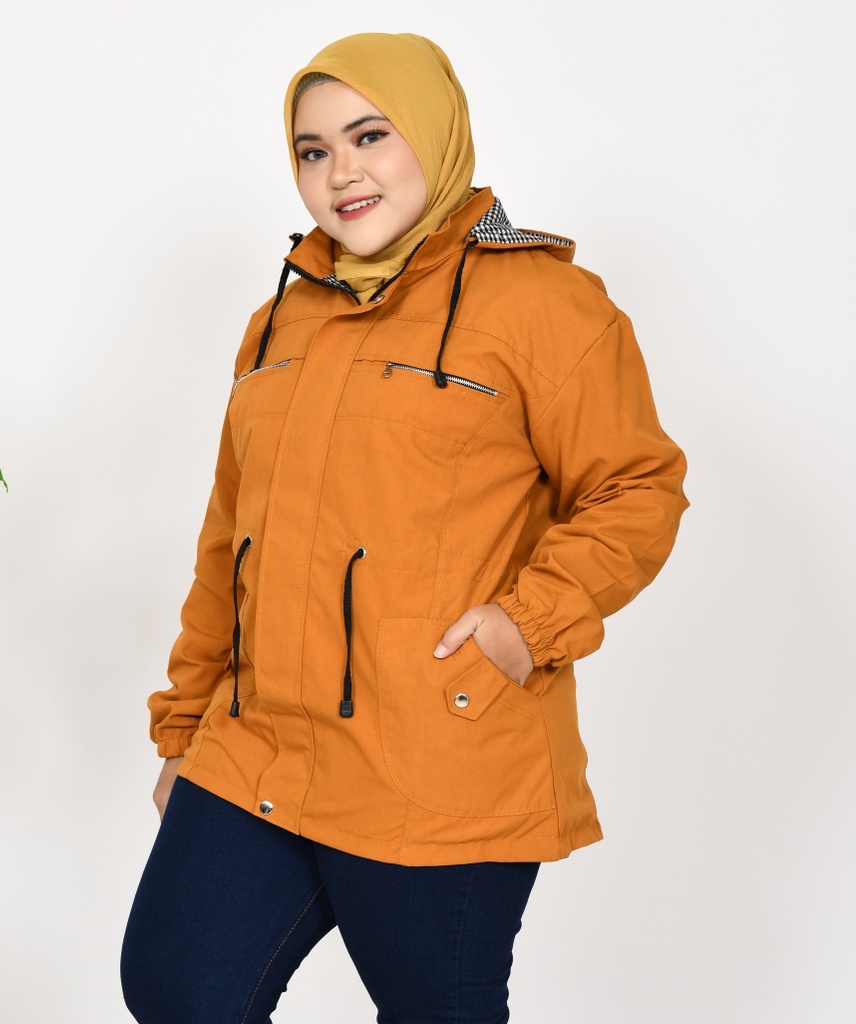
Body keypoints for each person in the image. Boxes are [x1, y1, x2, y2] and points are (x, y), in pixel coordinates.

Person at [121, 31, 687, 1024]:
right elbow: (227, 539)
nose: (340, 171)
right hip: (258, 747)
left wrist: (524, 625)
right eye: (313, 150)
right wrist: (187, 726)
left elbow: (637, 487)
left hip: (433, 755)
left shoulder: (545, 305)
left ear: (433, 129)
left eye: (369, 135)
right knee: (177, 988)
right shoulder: (279, 322)